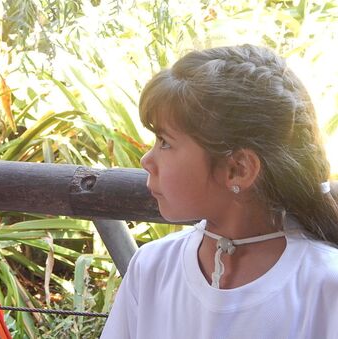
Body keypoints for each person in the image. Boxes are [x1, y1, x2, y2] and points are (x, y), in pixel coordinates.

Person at [101, 44, 338, 338]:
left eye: (165, 142)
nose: (146, 160)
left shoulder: (325, 287)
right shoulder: (152, 267)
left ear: (238, 169)